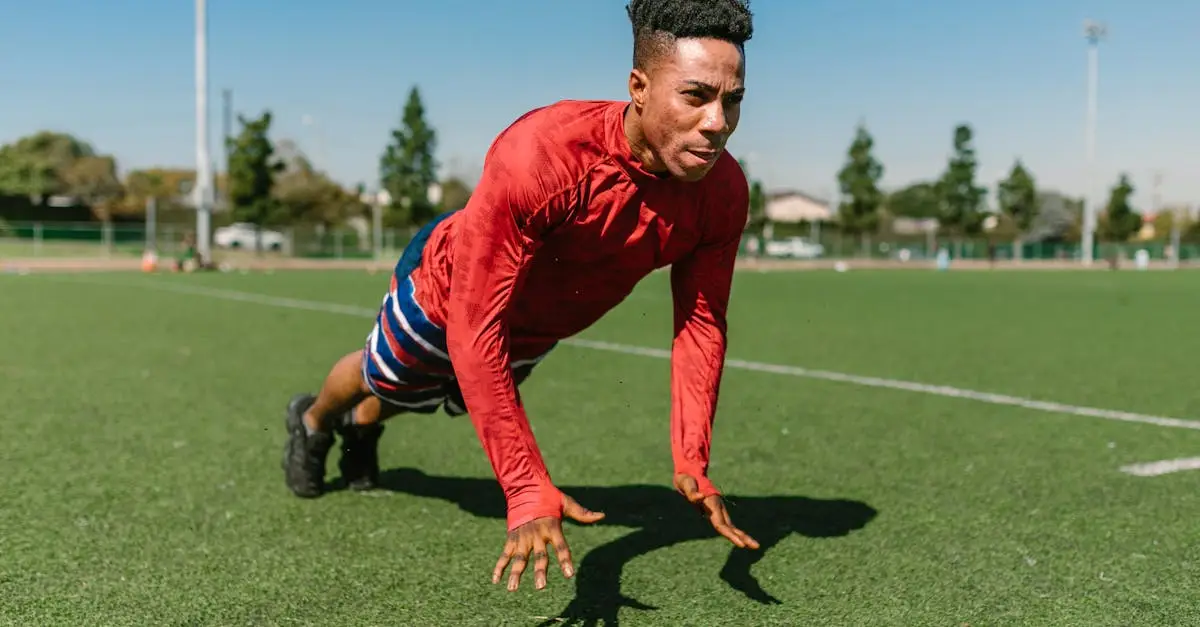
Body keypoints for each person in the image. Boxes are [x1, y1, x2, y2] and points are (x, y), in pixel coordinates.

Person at [282, 0, 759, 592]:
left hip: (536, 325)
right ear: (639, 86)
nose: (717, 121)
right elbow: (474, 325)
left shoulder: (724, 191)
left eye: (732, 99)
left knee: (444, 394)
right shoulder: (544, 153)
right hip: (451, 289)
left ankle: (366, 426)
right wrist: (525, 486)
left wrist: (692, 459)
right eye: (695, 96)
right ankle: (315, 419)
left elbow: (702, 324)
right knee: (389, 374)